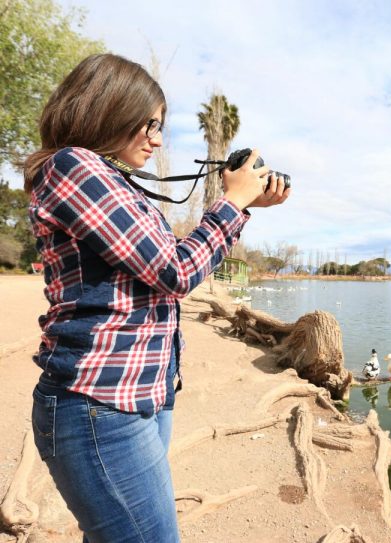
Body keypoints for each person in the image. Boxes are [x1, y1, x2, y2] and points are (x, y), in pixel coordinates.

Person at [23, 53, 290, 542]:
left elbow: (166, 262)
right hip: (99, 404)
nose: (158, 139)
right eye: (149, 124)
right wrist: (232, 203)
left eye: (160, 126)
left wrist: (244, 206)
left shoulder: (108, 177)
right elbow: (175, 272)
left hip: (140, 395)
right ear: (108, 108)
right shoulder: (72, 167)